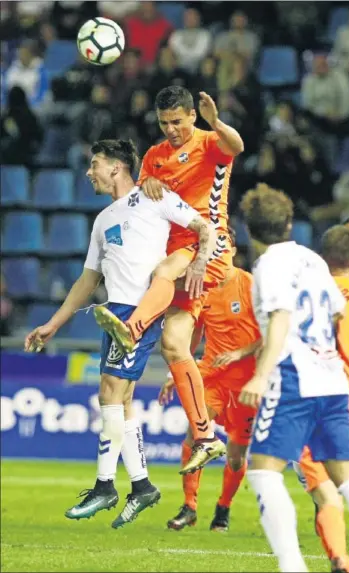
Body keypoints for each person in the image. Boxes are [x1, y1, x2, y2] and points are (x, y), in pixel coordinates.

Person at [24, 138, 217, 529]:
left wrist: (198, 263)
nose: (88, 171)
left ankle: (104, 485)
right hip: (113, 312)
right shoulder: (102, 220)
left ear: (116, 167)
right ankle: (142, 485)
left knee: (109, 393)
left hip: (140, 313)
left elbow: (203, 226)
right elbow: (86, 280)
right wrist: (53, 323)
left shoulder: (156, 197)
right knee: (121, 401)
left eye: (94, 163)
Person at [93, 86, 244, 475]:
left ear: (192, 116)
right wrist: (147, 184)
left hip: (207, 243)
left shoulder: (210, 142)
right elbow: (143, 196)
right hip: (176, 250)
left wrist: (216, 121)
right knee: (175, 345)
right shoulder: (155, 156)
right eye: (165, 123)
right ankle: (207, 437)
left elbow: (237, 146)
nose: (172, 129)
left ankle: (133, 326)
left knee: (161, 274)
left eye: (178, 121)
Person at [239, 183, 349, 573]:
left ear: (250, 230)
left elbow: (280, 316)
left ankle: (292, 566)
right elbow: (336, 312)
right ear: (289, 224)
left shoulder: (267, 267)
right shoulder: (312, 262)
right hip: (333, 383)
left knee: (264, 471)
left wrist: (261, 375)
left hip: (293, 382)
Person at [158, 228, 261, 531]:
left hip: (246, 382)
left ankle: (223, 508)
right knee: (195, 435)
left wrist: (240, 352)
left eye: (222, 245)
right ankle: (189, 506)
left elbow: (272, 334)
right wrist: (173, 372)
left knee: (236, 455)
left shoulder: (251, 285)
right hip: (212, 375)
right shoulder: (201, 287)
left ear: (232, 250)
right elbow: (192, 333)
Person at [294, 225, 349, 573]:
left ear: (322, 256)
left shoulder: (296, 297)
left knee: (324, 492)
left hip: (311, 408)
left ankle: (340, 558)